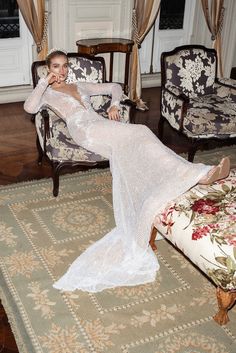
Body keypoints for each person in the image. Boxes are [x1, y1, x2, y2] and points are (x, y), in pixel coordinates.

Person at [24, 49, 230, 293]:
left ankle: (180, 176)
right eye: (56, 66)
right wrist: (43, 83)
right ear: (49, 69)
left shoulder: (80, 85)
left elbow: (114, 86)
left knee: (137, 147)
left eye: (65, 66)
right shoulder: (47, 93)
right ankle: (198, 174)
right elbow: (29, 107)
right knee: (141, 132)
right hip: (85, 131)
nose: (62, 71)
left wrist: (113, 105)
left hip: (101, 124)